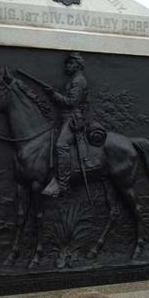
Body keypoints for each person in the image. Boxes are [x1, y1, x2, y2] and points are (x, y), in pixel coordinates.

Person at [42, 52, 89, 197]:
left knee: (61, 145)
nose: (67, 66)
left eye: (70, 63)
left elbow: (71, 102)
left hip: (72, 119)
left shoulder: (79, 81)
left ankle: (62, 185)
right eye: (66, 64)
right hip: (64, 117)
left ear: (78, 64)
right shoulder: (72, 80)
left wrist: (52, 94)